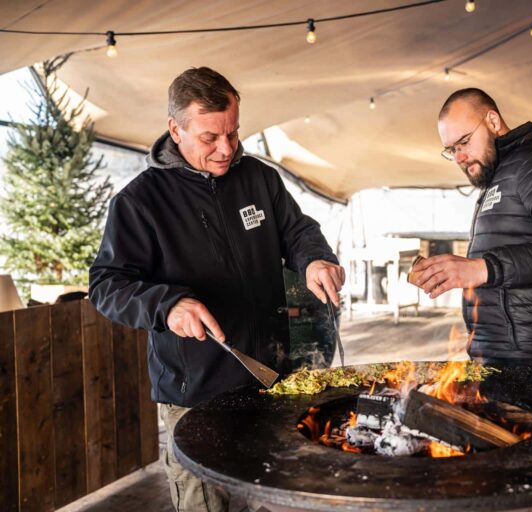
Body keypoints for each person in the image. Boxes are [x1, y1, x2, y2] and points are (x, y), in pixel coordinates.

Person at [89, 67, 344, 512]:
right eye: (210, 137)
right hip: (196, 397)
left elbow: (298, 231)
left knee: (271, 500)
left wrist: (315, 258)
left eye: (233, 132)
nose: (226, 148)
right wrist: (167, 305)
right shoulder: (139, 202)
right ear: (176, 129)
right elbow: (108, 284)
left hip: (270, 384)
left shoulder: (260, 179)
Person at [413, 88, 532, 364]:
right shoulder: (499, 174)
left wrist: (481, 268)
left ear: (493, 121)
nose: (460, 157)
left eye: (464, 142)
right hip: (492, 360)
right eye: (452, 150)